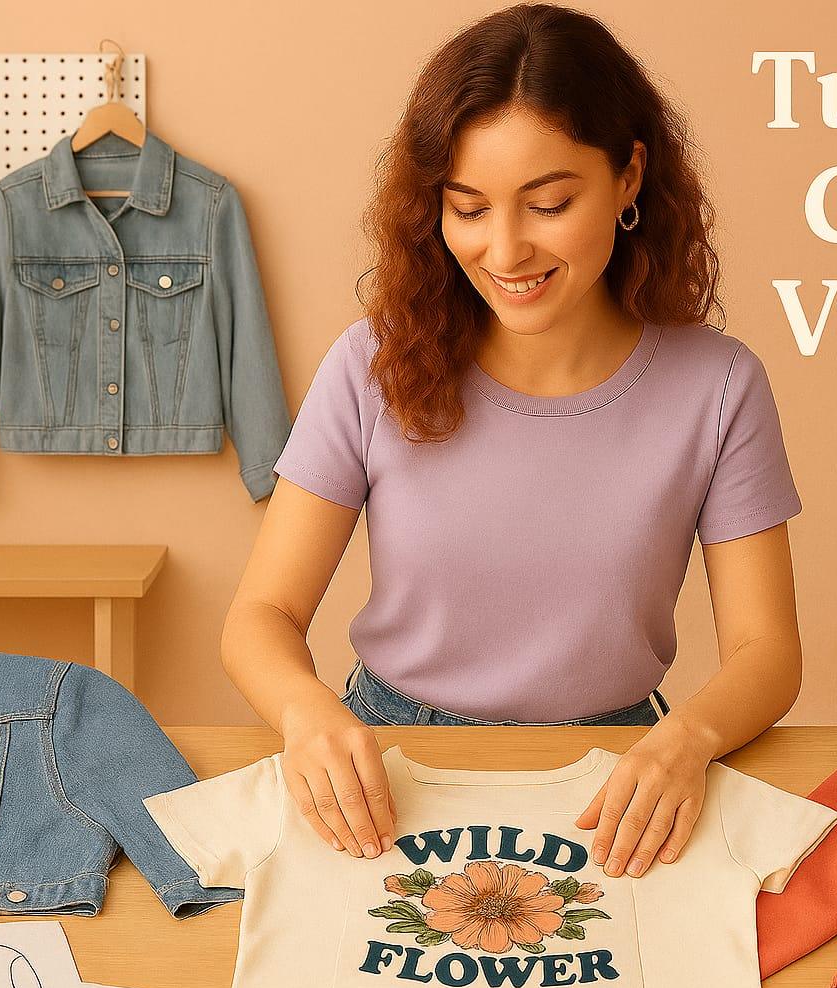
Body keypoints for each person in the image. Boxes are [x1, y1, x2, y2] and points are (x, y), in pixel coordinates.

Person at [220, 3, 804, 887]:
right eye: (468, 209)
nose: (504, 250)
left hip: (617, 783)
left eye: (550, 203)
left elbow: (768, 652)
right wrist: (307, 716)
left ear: (630, 176)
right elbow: (259, 619)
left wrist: (687, 739)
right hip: (388, 771)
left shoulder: (719, 386)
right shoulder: (371, 364)